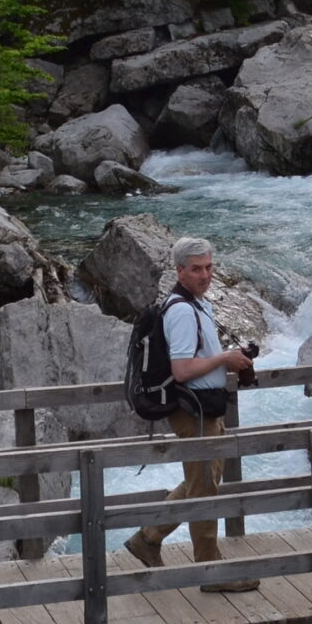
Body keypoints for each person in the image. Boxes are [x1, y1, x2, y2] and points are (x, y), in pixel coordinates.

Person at [122, 237, 260, 593]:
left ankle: (147, 539)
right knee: (204, 490)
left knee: (203, 481)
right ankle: (210, 572)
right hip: (191, 409)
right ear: (179, 270)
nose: (205, 275)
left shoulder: (195, 303)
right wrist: (225, 359)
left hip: (202, 408)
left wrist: (227, 356)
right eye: (196, 269)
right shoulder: (182, 310)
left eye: (209, 267)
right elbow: (182, 370)